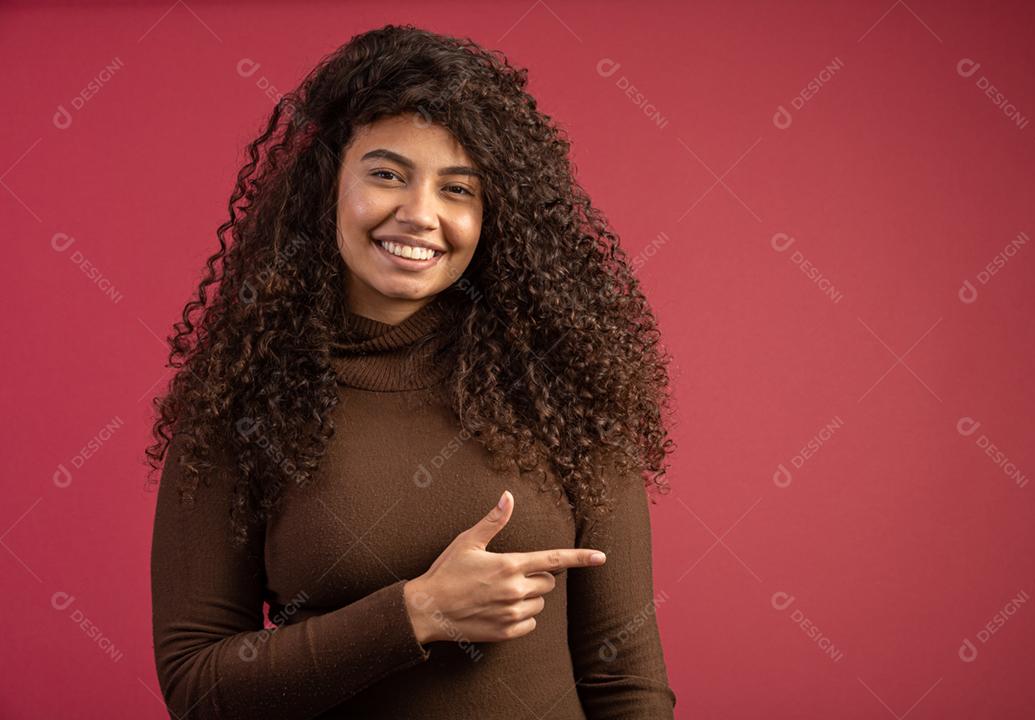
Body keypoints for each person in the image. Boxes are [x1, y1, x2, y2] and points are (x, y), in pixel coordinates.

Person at [147, 23, 677, 719]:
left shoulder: (561, 387)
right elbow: (197, 687)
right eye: (387, 174)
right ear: (327, 185)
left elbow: (627, 687)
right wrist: (414, 614)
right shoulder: (242, 400)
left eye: (458, 189)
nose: (420, 214)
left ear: (493, 216)